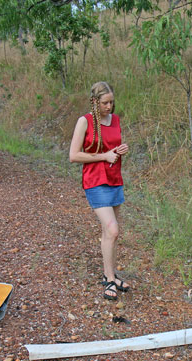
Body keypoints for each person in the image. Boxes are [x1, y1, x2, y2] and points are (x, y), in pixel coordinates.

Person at [69, 81, 131, 301]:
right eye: (105, 102)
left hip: (115, 179)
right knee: (112, 229)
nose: (109, 106)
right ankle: (108, 278)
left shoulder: (115, 120)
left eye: (112, 102)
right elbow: (74, 155)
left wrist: (119, 150)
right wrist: (104, 156)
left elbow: (111, 146)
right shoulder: (84, 122)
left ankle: (112, 274)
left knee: (110, 234)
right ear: (94, 102)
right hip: (95, 181)